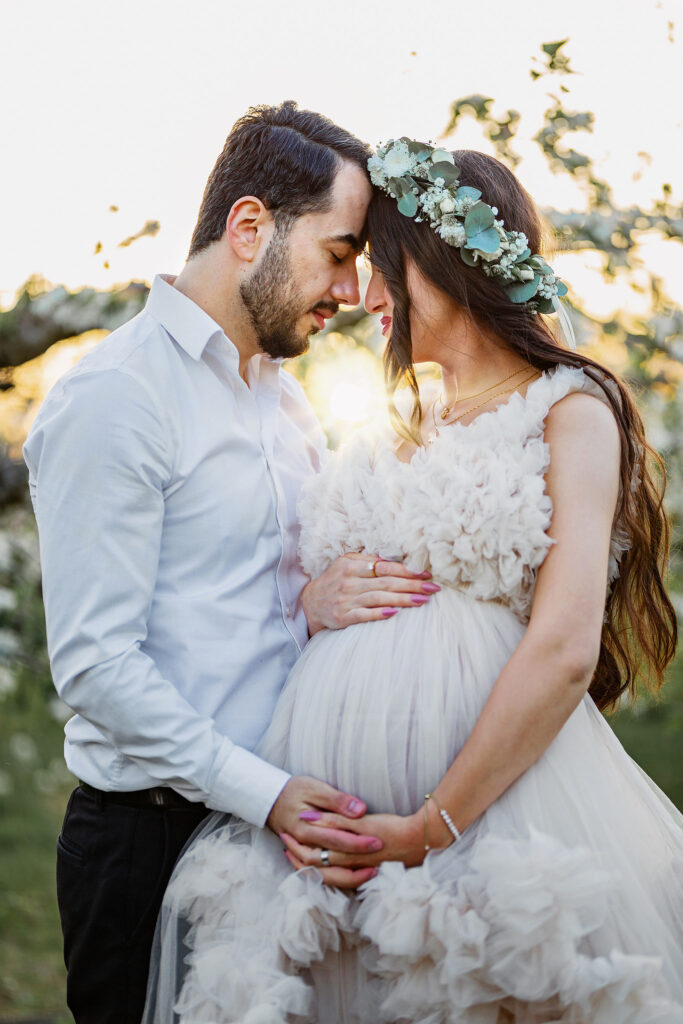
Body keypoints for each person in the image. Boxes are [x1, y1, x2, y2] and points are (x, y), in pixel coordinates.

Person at [142, 140, 683, 1023]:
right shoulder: (400, 421)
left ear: (439, 257)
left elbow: (562, 649)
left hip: (485, 826)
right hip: (323, 854)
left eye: (374, 263)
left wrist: (432, 826)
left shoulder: (568, 408)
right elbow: (288, 584)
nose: (362, 295)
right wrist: (311, 602)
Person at [22, 107, 436, 1024]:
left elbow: (247, 596)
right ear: (250, 228)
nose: (349, 287)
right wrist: (270, 795)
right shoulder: (117, 398)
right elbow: (97, 665)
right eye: (337, 251)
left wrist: (313, 600)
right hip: (150, 843)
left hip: (270, 836)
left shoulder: (282, 404)